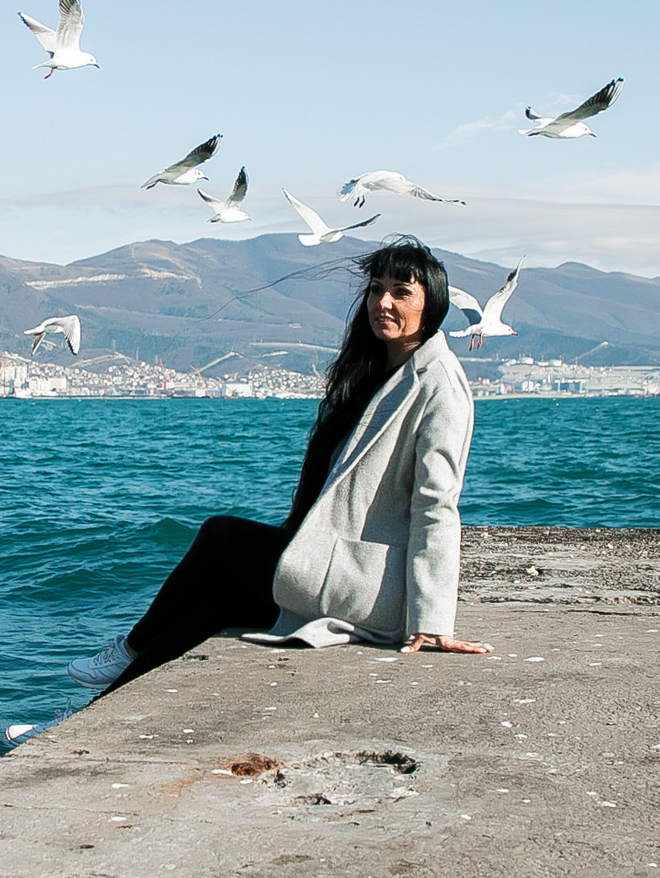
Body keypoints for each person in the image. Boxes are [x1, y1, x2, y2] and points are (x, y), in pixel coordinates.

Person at [67, 238, 493, 692]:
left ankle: (129, 648)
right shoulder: (378, 372)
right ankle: (85, 715)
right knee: (215, 602)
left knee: (220, 536)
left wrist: (432, 619)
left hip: (366, 585)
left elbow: (437, 505)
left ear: (432, 305)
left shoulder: (438, 384)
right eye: (375, 289)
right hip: (336, 568)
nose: (382, 302)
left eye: (401, 292)